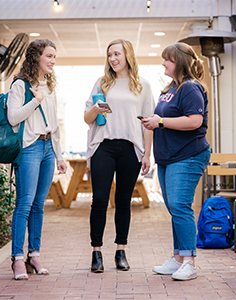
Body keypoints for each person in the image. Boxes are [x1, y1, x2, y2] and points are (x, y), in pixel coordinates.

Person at [141, 42, 211, 281]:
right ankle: (178, 258)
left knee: (180, 206)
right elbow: (162, 118)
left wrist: (160, 122)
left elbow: (194, 121)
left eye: (167, 59)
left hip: (188, 154)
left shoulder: (191, 88)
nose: (163, 63)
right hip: (168, 156)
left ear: (179, 61)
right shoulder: (170, 88)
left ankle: (189, 262)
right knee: (174, 208)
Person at [84, 39, 155, 273]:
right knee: (100, 201)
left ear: (128, 56)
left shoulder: (142, 85)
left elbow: (147, 123)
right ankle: (96, 253)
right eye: (109, 55)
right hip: (103, 146)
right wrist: (97, 108)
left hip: (129, 148)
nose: (112, 59)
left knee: (124, 201)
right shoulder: (102, 83)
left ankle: (121, 251)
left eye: (117, 54)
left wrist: (146, 154)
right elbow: (87, 118)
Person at [7, 39, 67, 280]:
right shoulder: (20, 85)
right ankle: (17, 259)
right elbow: (13, 118)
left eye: (54, 57)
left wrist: (60, 155)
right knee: (24, 203)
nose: (53, 61)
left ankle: (34, 254)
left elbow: (54, 125)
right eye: (49, 56)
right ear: (36, 57)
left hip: (48, 148)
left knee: (39, 205)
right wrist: (36, 100)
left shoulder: (50, 86)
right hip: (29, 148)